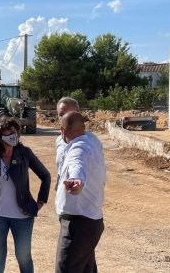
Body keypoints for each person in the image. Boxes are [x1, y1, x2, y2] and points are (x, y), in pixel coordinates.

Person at [0, 117, 51, 273]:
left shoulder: (24, 153)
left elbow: (46, 176)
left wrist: (39, 202)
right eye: (9, 131)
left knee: (24, 257)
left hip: (23, 216)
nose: (14, 135)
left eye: (15, 131)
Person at [55, 111, 106, 273]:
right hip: (91, 223)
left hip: (78, 225)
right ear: (83, 127)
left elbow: (78, 163)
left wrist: (77, 180)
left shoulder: (78, 148)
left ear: (62, 131)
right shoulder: (93, 142)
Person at [55, 97, 103, 191]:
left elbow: (78, 162)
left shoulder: (91, 142)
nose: (66, 117)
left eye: (71, 114)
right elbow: (61, 167)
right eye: (61, 114)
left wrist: (76, 178)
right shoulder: (59, 141)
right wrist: (58, 185)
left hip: (84, 198)